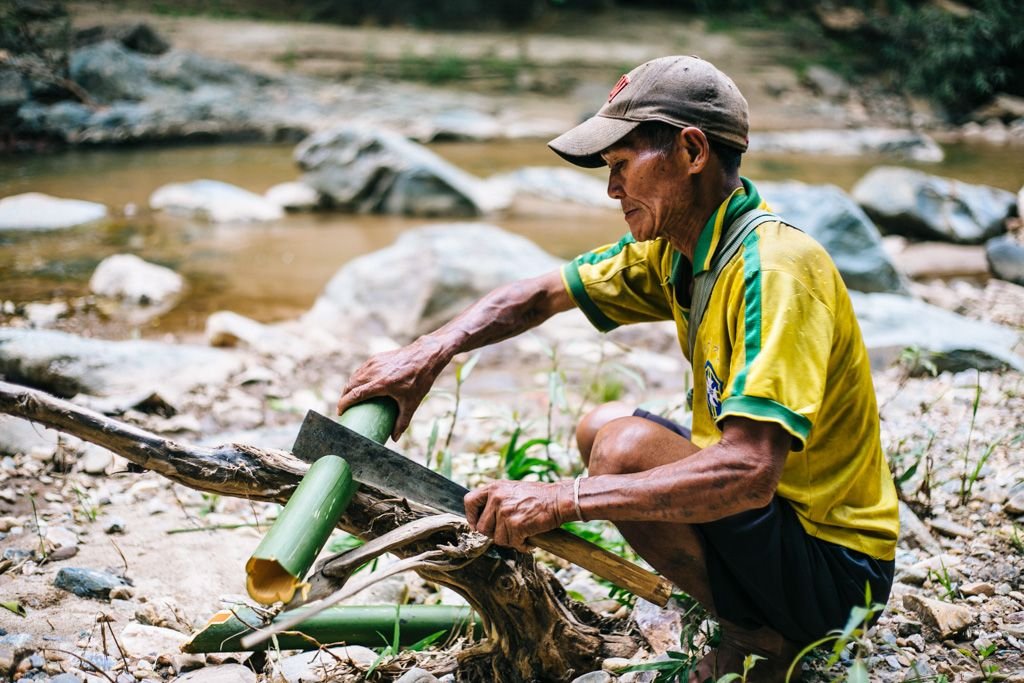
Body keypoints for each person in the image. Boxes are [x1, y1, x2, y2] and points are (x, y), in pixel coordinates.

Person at [336, 55, 899, 680]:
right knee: (599, 425)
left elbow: (750, 472)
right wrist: (430, 350)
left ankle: (770, 637)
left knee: (623, 449)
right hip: (782, 526)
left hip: (839, 573)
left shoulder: (774, 268)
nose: (612, 191)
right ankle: (746, 613)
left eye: (623, 166)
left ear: (691, 151)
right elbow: (540, 294)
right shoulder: (683, 250)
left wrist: (562, 499)